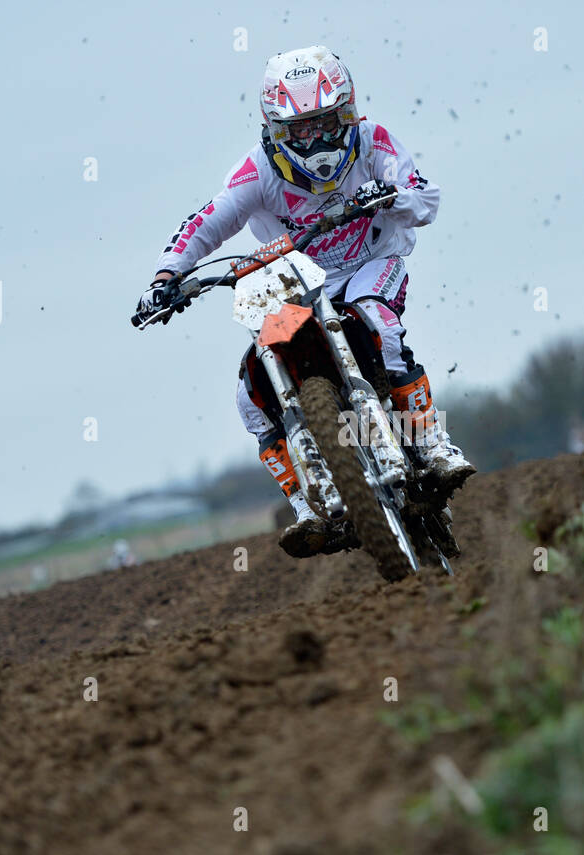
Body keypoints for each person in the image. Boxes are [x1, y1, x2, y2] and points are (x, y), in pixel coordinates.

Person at [134, 45, 473, 557]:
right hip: (293, 284)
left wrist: (389, 196)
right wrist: (166, 277)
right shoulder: (254, 174)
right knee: (250, 396)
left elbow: (426, 198)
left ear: (347, 112)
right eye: (299, 130)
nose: (314, 140)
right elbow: (206, 224)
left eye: (324, 123)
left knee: (379, 324)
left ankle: (431, 443)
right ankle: (307, 500)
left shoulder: (373, 140)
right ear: (275, 131)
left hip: (370, 264)